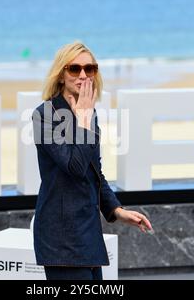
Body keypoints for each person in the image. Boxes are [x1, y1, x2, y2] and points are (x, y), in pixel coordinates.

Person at [32, 41, 153, 280]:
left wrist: (116, 210)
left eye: (90, 69)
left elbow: (93, 172)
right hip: (61, 240)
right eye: (74, 69)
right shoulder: (44, 115)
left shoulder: (89, 114)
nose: (83, 75)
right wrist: (84, 119)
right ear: (61, 75)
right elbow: (74, 168)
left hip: (88, 235)